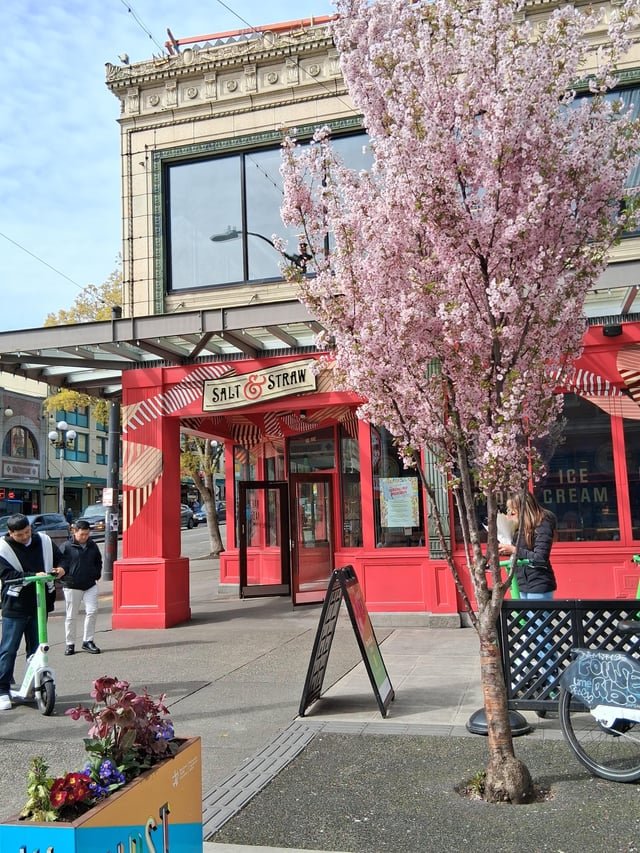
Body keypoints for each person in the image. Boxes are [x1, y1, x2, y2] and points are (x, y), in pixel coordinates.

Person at [0, 514, 65, 711]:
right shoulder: (3, 548)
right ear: (11, 533)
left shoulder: (43, 541)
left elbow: (62, 559)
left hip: (40, 603)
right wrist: (31, 576)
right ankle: (2, 689)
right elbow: (6, 574)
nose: (25, 536)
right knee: (8, 649)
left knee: (37, 648)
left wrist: (61, 569)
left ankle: (33, 687)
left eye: (27, 532)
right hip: (15, 605)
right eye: (20, 535)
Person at [499, 492, 557, 599]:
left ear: (523, 510)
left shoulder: (543, 524)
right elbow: (520, 553)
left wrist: (514, 550)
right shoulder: (519, 529)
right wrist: (506, 551)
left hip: (538, 583)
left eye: (512, 512)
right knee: (524, 615)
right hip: (520, 583)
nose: (509, 516)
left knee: (537, 616)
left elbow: (540, 558)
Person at [59, 520, 102, 656]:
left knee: (92, 611)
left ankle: (88, 640)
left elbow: (98, 561)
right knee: (71, 616)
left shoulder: (92, 545)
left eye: (87, 534)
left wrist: (96, 574)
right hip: (72, 585)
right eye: (82, 534)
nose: (84, 537)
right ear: (74, 532)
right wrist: (64, 578)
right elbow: (60, 564)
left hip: (89, 584)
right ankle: (70, 643)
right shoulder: (66, 547)